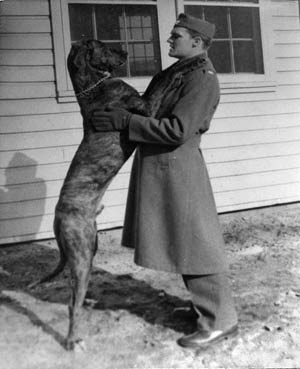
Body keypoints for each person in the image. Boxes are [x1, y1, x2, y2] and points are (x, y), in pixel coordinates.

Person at [90, 13, 238, 348]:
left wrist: (126, 121)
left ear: (197, 42)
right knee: (186, 244)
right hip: (162, 168)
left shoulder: (202, 78)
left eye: (176, 36)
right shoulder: (175, 73)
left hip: (179, 170)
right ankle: (208, 309)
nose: (169, 40)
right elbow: (147, 110)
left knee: (197, 245)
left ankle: (221, 321)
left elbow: (177, 130)